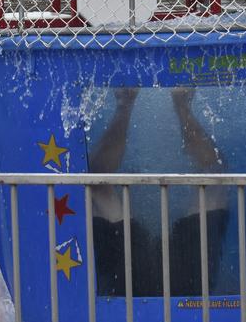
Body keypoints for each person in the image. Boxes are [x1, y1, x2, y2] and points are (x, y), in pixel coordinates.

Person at [89, 86, 230, 298]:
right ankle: (177, 104)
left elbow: (99, 177)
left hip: (134, 284)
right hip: (174, 285)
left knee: (98, 184)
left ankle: (134, 103)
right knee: (215, 177)